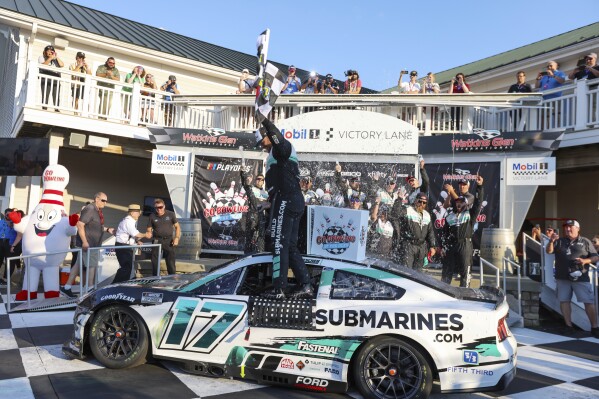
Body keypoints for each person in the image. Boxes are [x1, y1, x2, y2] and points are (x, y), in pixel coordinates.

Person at [255, 119, 311, 299]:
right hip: (290, 200)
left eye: (261, 142)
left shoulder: (281, 149)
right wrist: (269, 202)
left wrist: (264, 119)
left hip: (287, 201)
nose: (261, 147)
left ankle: (279, 288)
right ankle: (305, 285)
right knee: (290, 246)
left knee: (279, 244)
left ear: (268, 137)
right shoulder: (276, 153)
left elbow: (277, 136)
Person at [546, 220, 599, 338]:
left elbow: (595, 257)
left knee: (588, 302)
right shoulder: (559, 241)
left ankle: (595, 328)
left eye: (570, 227)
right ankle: (568, 326)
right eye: (566, 227)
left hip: (581, 277)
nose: (567, 229)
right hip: (562, 277)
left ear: (578, 228)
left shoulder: (585, 241)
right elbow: (549, 251)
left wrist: (585, 261)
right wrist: (551, 241)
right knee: (564, 301)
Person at [61, 192, 114, 298]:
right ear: (97, 199)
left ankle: (66, 287)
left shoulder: (98, 211)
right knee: (92, 265)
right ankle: (90, 289)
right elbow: (80, 224)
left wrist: (108, 229)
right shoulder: (90, 208)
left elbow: (95, 226)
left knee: (77, 265)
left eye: (106, 201)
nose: (105, 203)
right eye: (103, 200)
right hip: (89, 244)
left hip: (92, 244)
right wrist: (85, 242)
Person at [440, 175, 484, 288]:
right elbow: (444, 233)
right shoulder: (449, 216)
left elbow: (478, 203)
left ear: (465, 205)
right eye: (457, 203)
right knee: (446, 272)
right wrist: (443, 247)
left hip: (465, 244)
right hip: (451, 244)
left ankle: (464, 295)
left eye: (461, 203)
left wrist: (479, 186)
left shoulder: (469, 214)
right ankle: (443, 294)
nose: (458, 204)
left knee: (465, 273)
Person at [389, 192, 436, 270]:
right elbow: (394, 214)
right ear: (415, 201)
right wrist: (399, 199)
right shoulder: (407, 210)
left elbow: (430, 232)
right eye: (420, 201)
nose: (421, 204)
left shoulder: (427, 215)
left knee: (418, 274)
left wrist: (432, 246)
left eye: (424, 203)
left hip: (421, 247)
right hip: (409, 245)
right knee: (406, 272)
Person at [113, 204, 151, 283]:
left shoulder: (130, 221)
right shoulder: (128, 221)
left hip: (124, 246)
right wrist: (146, 235)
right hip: (123, 246)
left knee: (127, 268)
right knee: (126, 268)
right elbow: (136, 234)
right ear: (132, 213)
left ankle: (121, 285)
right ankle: (115, 285)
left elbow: (131, 235)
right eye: (137, 212)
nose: (139, 214)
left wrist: (137, 241)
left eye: (139, 212)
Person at [146, 198, 181, 276]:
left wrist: (177, 238)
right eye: (156, 208)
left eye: (160, 207)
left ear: (164, 206)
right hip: (156, 240)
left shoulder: (171, 214)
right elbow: (149, 229)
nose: (159, 209)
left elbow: (177, 227)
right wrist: (148, 233)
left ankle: (172, 277)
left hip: (168, 240)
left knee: (170, 261)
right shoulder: (152, 216)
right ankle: (155, 278)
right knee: (155, 261)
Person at [240, 172, 269, 254]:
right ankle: (247, 256)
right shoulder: (251, 188)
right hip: (252, 214)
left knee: (261, 237)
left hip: (261, 216)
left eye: (262, 180)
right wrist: (242, 174)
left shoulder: (266, 193)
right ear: (255, 180)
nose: (260, 181)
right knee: (249, 237)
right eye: (258, 179)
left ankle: (260, 254)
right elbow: (245, 185)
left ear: (263, 182)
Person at [38, 45, 64, 110]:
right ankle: (44, 108)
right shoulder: (42, 57)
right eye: (48, 51)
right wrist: (50, 58)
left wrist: (56, 57)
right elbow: (43, 65)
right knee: (45, 93)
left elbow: (62, 65)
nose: (50, 52)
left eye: (51, 51)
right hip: (46, 76)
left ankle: (56, 109)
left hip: (55, 77)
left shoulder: (55, 59)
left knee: (56, 94)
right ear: (45, 52)